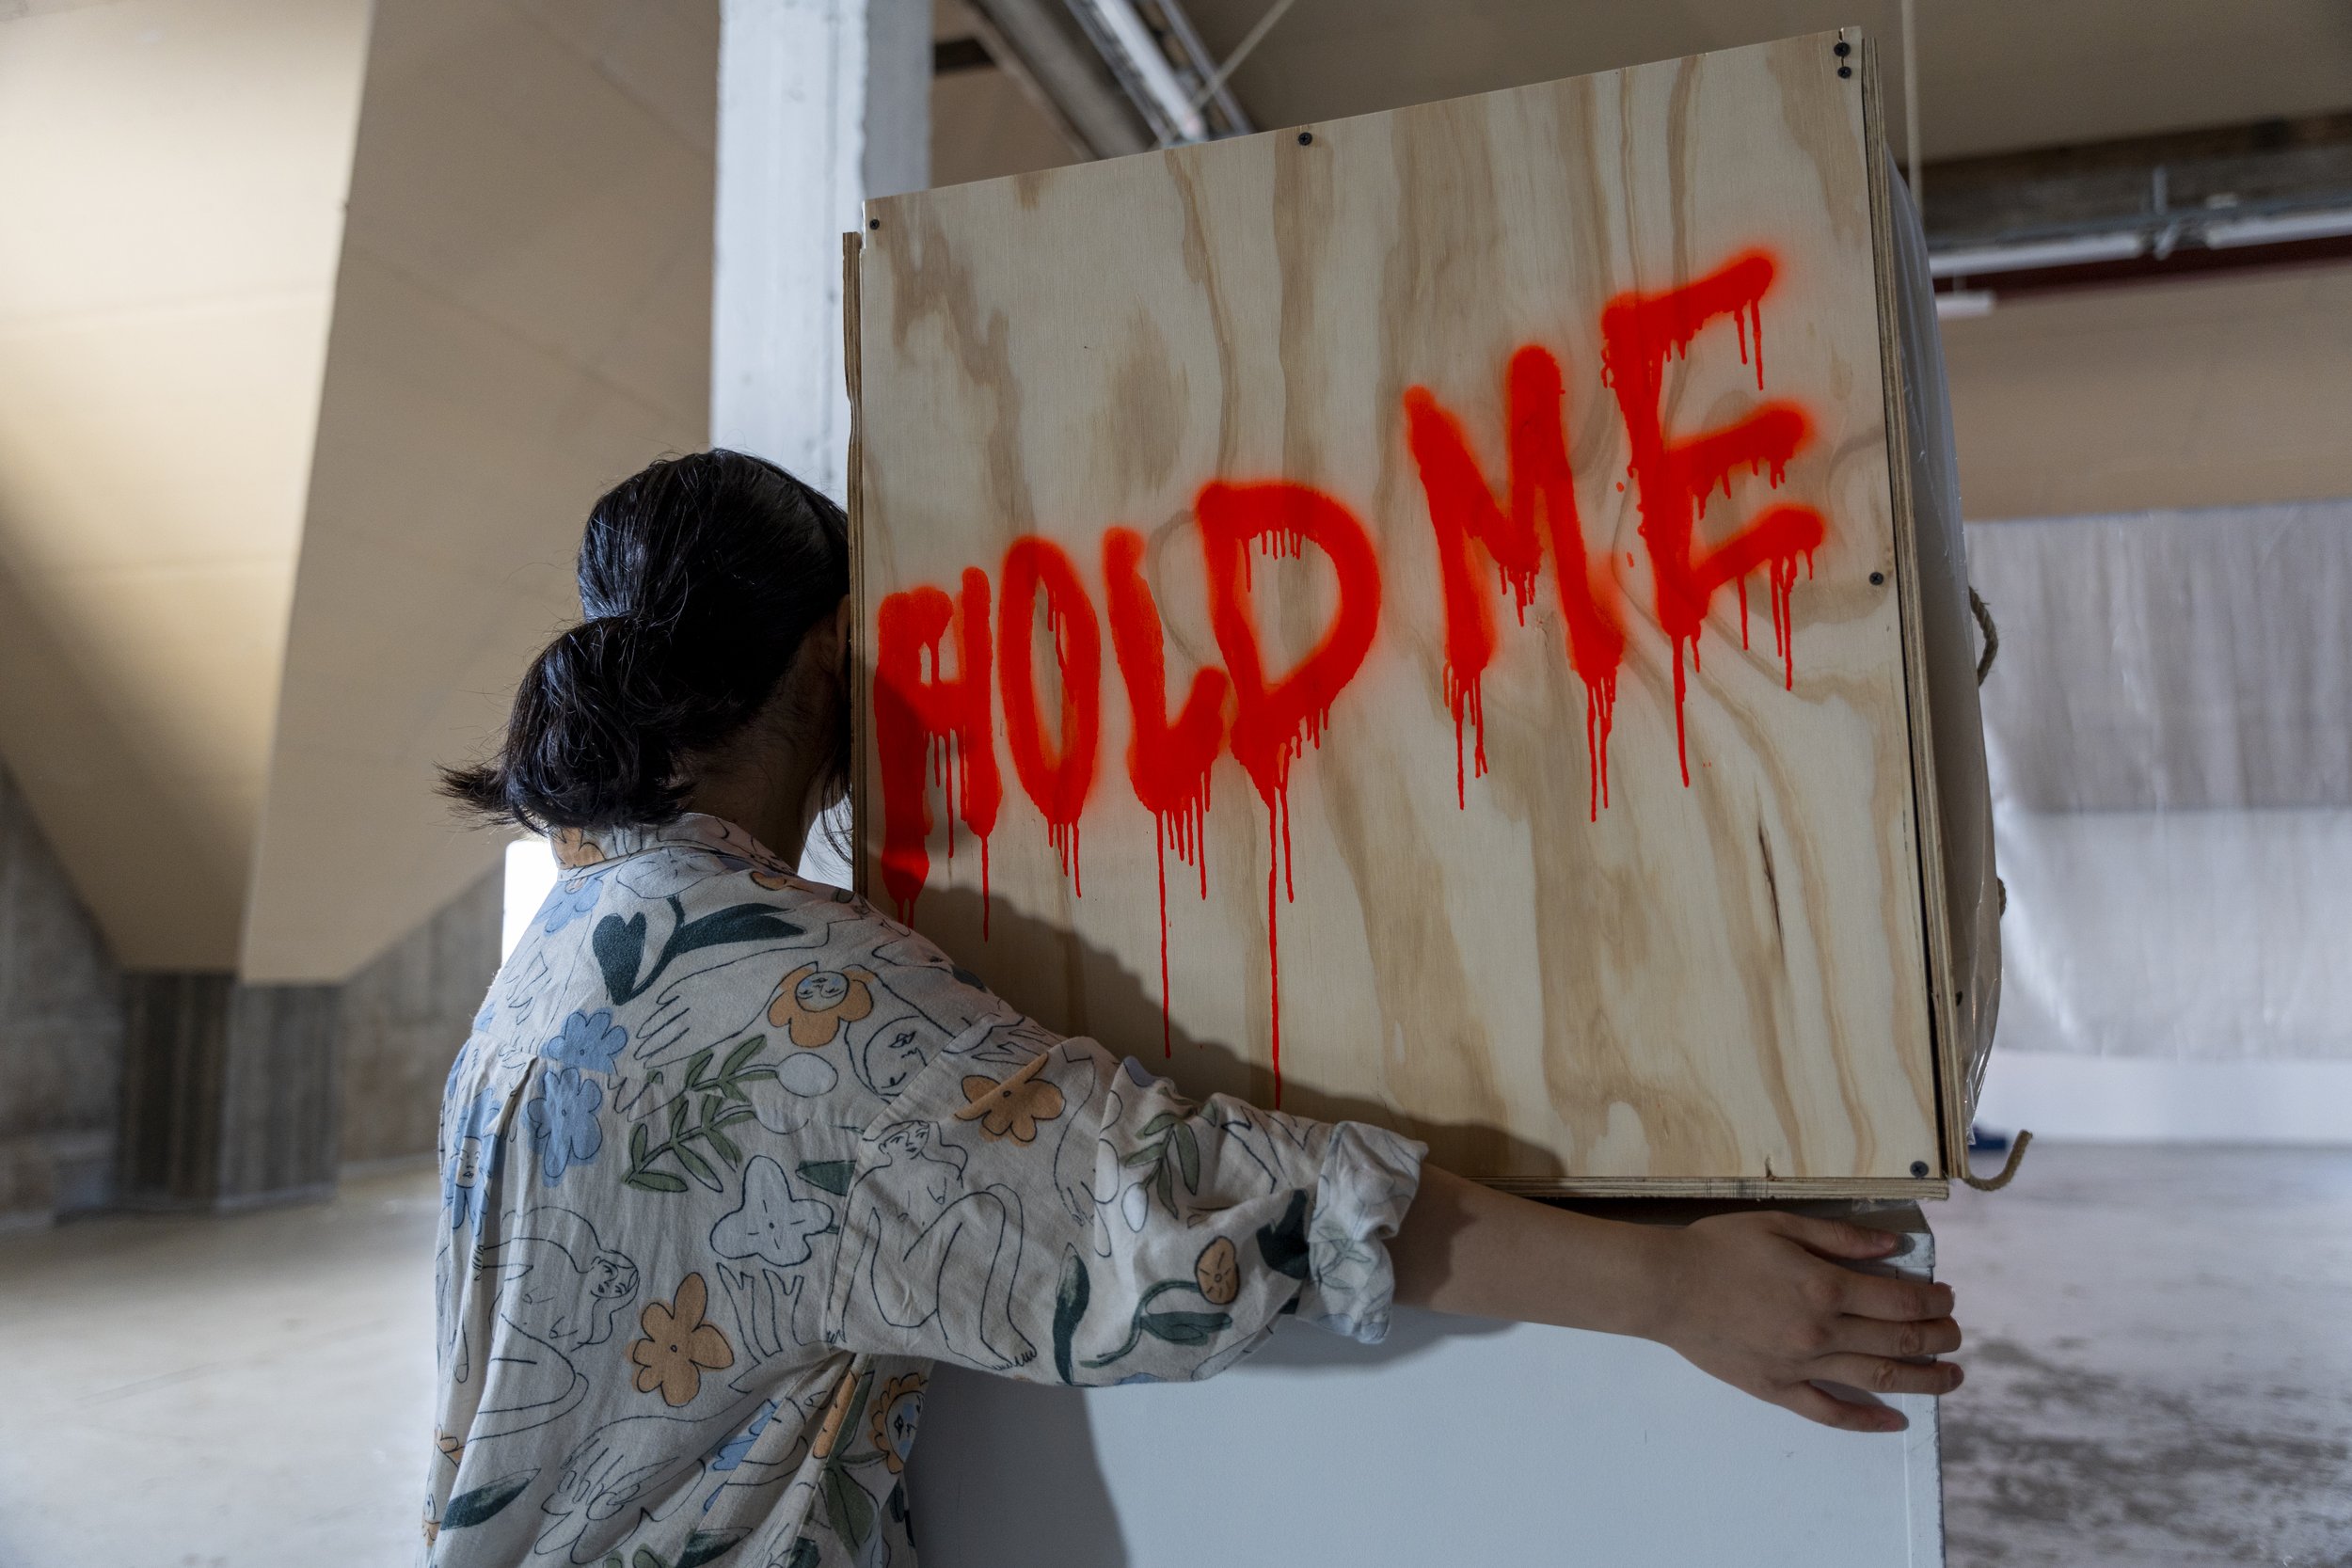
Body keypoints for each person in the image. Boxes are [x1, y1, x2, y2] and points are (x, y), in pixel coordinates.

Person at [427, 450, 1962, 1567]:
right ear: (836, 657)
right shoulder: (797, 1008)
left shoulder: (564, 962)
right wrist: (1673, 1292)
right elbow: (1175, 1211)